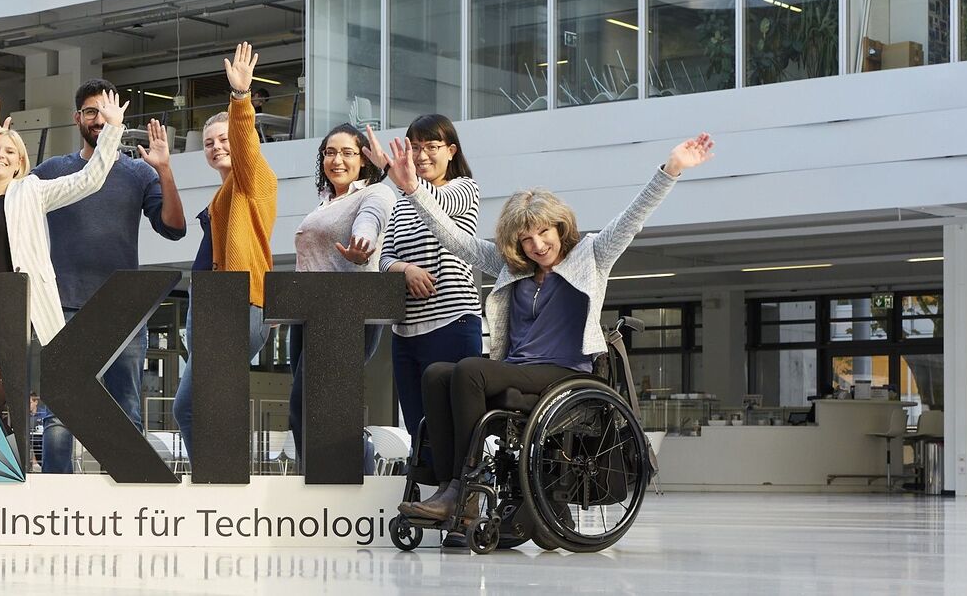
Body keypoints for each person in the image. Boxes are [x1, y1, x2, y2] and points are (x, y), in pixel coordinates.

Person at [394, 133, 716, 543]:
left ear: (559, 227)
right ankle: (448, 486)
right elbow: (458, 241)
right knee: (438, 374)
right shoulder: (515, 266)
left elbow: (633, 217)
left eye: (543, 232)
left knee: (470, 371)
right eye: (526, 239)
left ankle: (465, 491)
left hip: (566, 374)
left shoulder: (591, 255)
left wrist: (671, 169)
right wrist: (412, 191)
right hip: (519, 371)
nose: (537, 245)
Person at [0, 89, 130, 450]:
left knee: (0, 405)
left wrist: (112, 132)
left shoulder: (32, 191)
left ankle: (3, 470)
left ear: (19, 164)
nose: (0, 154)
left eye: (10, 151)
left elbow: (89, 180)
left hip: (7, 314)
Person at [26, 78, 187, 474]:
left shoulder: (137, 172)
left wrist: (164, 170)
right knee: (57, 421)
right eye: (91, 112)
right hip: (61, 308)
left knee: (125, 416)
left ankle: (126, 514)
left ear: (120, 117)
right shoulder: (52, 170)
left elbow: (174, 228)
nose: (99, 119)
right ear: (77, 117)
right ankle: (54, 512)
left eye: (107, 112)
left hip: (120, 311)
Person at [174, 42, 279, 457]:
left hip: (239, 304)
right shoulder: (224, 194)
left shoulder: (255, 181)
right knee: (199, 406)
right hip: (214, 306)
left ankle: (222, 487)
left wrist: (240, 99)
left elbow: (246, 146)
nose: (217, 146)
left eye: (223, 139)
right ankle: (222, 483)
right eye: (208, 142)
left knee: (191, 408)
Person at [287, 123, 395, 463]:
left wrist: (361, 245)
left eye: (348, 153)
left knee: (307, 407)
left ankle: (344, 484)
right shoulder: (323, 204)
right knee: (313, 408)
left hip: (345, 310)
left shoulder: (374, 193)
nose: (337, 160)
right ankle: (325, 485)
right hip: (309, 311)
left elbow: (370, 222)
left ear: (363, 160)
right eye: (330, 152)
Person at [375, 114, 483, 452]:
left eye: (431, 147)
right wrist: (405, 269)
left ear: (451, 150)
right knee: (418, 426)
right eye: (415, 147)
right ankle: (425, 499)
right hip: (406, 333)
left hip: (452, 322)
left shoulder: (464, 188)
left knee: (454, 421)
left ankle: (460, 498)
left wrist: (407, 184)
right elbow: (384, 258)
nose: (421, 155)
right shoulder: (401, 203)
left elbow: (439, 208)